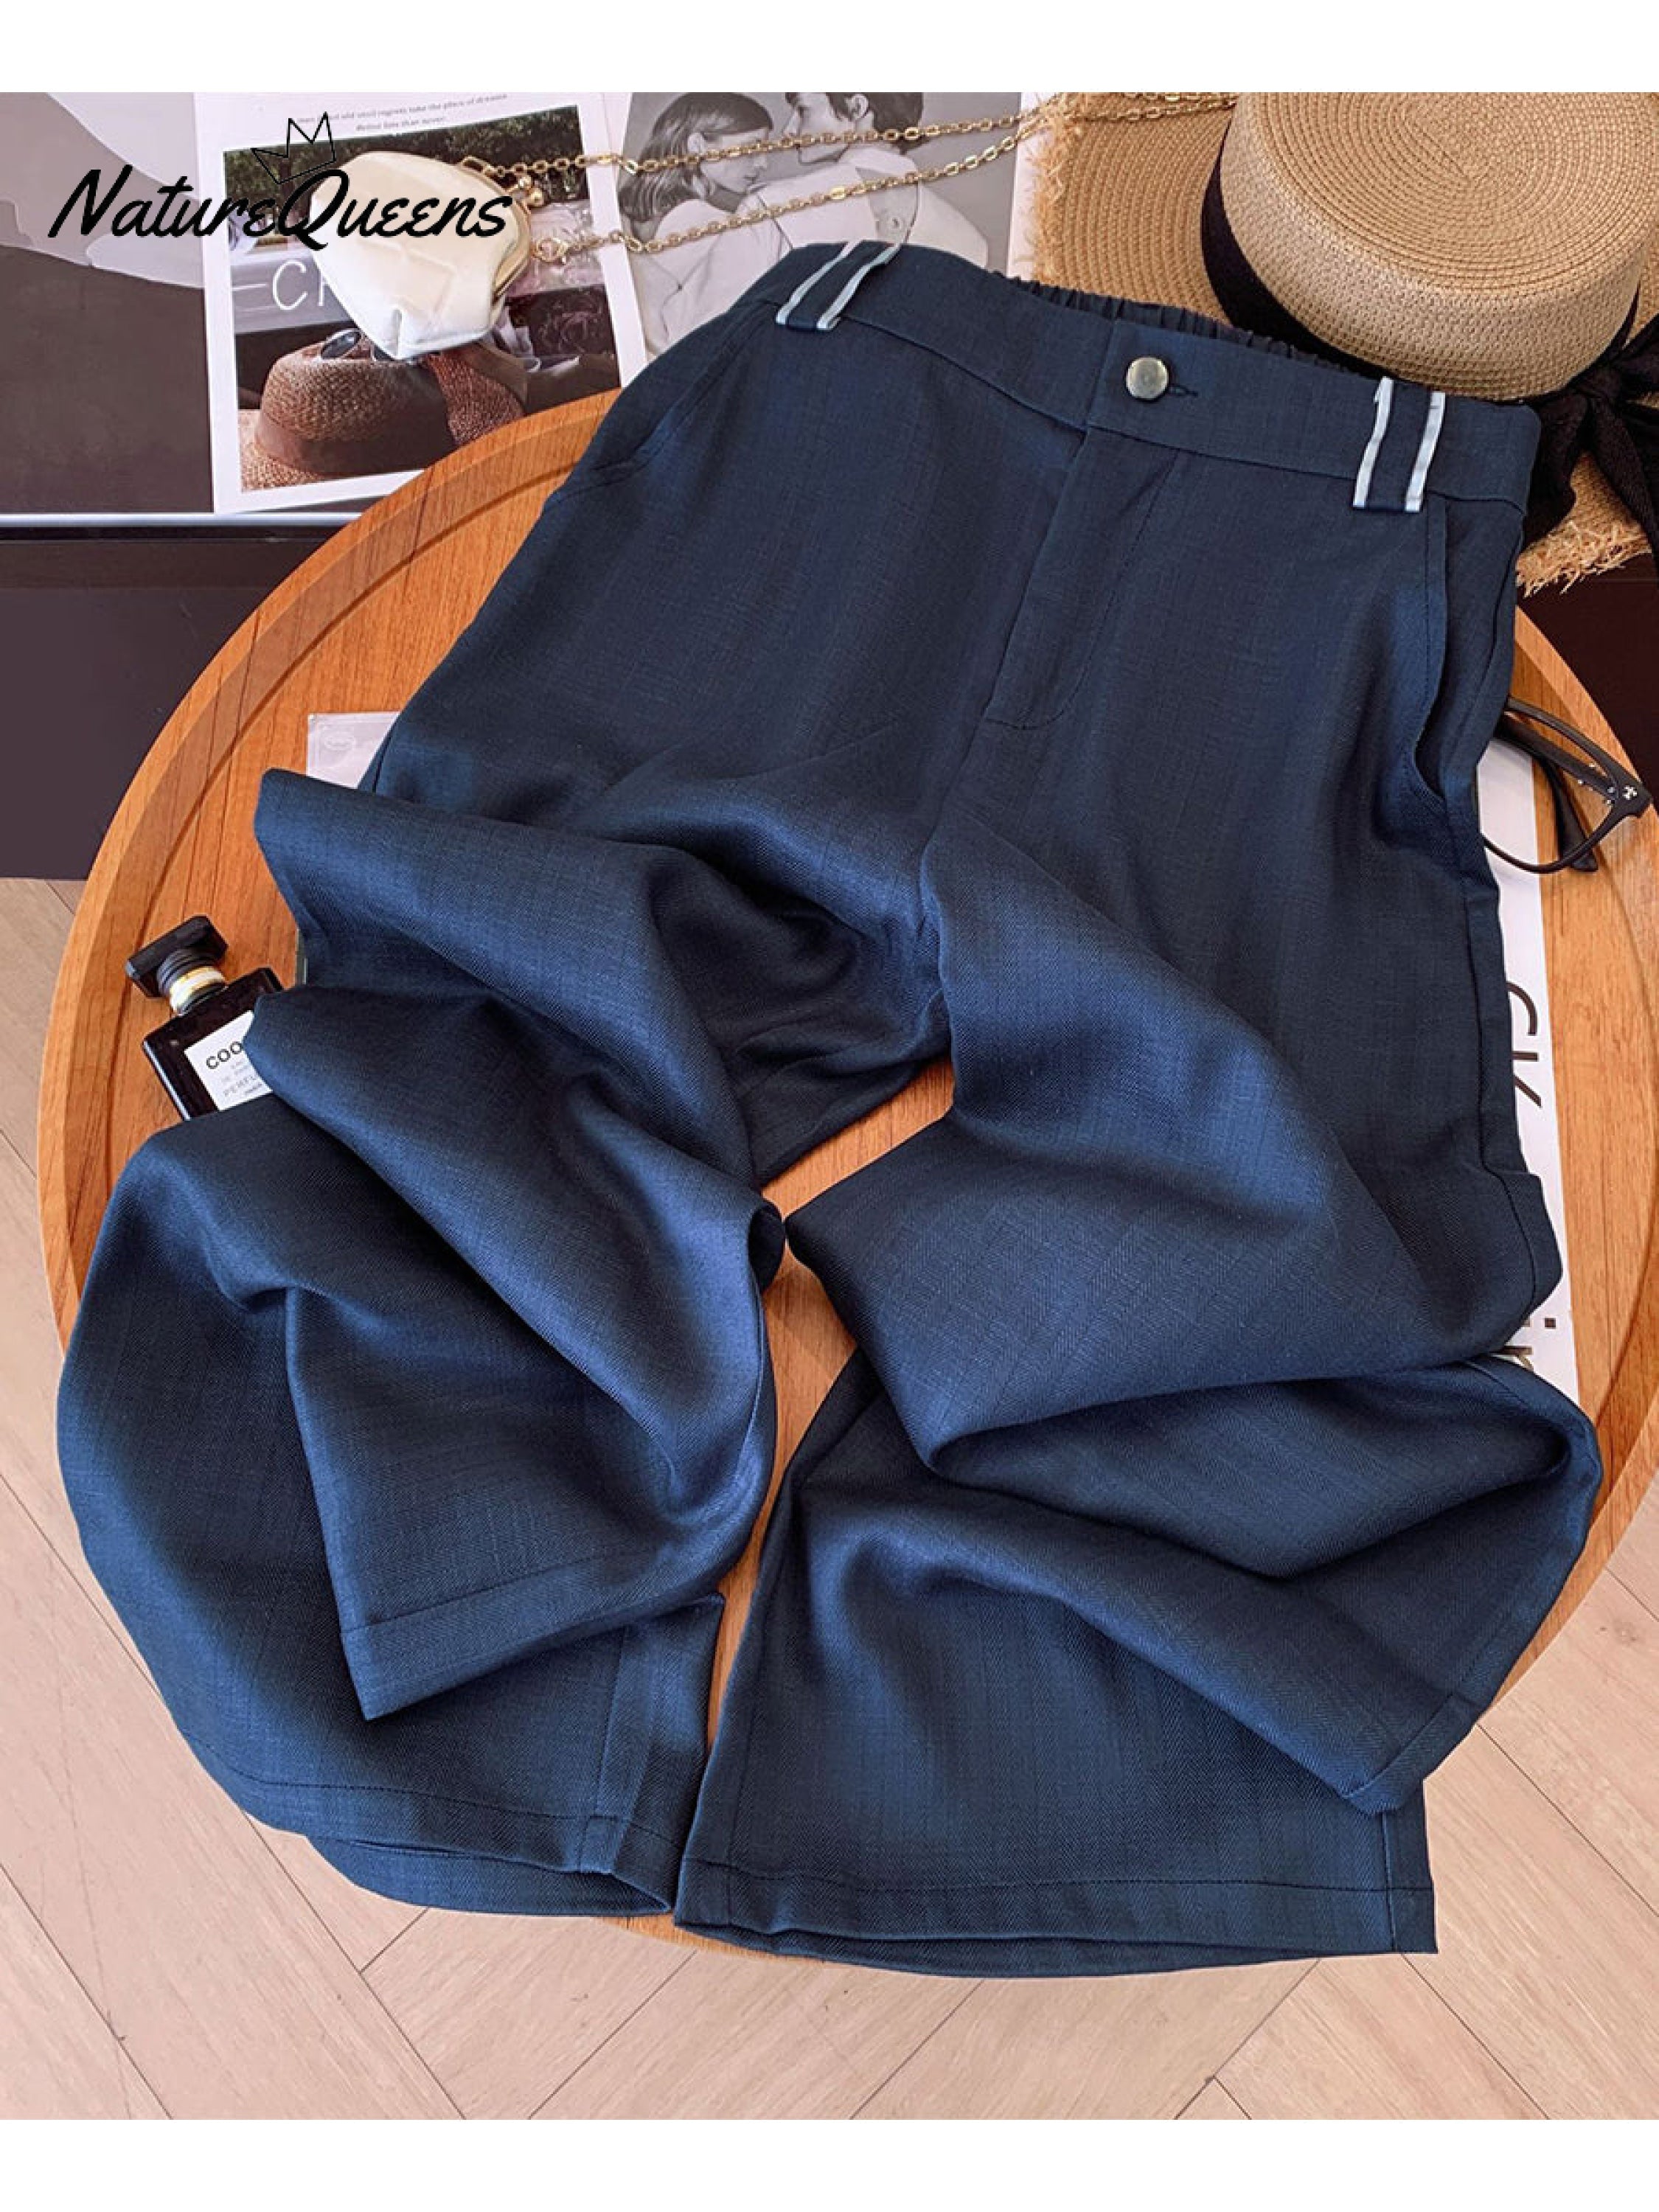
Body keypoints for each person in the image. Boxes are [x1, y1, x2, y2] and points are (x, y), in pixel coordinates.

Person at [648, 93, 992, 347]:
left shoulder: (773, 208)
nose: (789, 130)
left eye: (802, 110)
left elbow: (688, 335)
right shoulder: (970, 242)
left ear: (857, 108)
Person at [619, 94, 776, 355]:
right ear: (698, 145)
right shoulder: (707, 223)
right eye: (752, 149)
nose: (763, 164)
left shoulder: (637, 212)